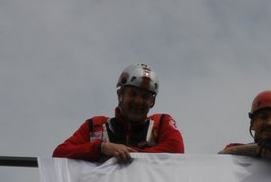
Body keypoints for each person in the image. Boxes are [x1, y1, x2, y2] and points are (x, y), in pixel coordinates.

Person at [53, 63, 185, 163]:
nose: (138, 101)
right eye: (133, 94)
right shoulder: (94, 126)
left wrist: (129, 155)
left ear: (152, 102)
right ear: (120, 94)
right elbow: (59, 154)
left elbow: (176, 149)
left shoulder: (161, 123)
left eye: (145, 96)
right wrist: (102, 148)